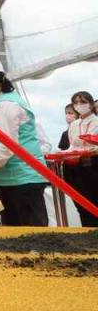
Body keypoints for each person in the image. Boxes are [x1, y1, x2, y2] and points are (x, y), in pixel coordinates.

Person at [0, 56, 48, 227]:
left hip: (23, 178)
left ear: (1, 80)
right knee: (14, 230)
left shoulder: (6, 104)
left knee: (33, 232)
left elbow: (6, 146)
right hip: (10, 178)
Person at [66, 91, 98, 227]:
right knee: (81, 205)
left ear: (91, 104)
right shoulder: (73, 125)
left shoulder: (96, 121)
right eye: (76, 103)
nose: (79, 105)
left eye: (83, 102)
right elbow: (72, 144)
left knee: (94, 203)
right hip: (76, 167)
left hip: (94, 166)